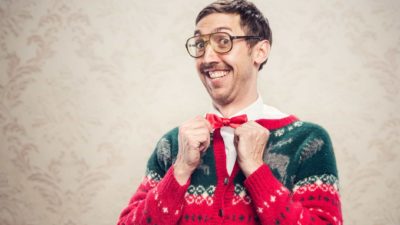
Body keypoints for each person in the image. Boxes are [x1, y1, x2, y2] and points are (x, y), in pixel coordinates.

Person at [117, 0, 342, 224]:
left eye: (223, 41)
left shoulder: (309, 141)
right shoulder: (173, 145)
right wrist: (180, 170)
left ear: (259, 51)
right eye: (200, 45)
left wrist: (256, 169)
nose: (207, 58)